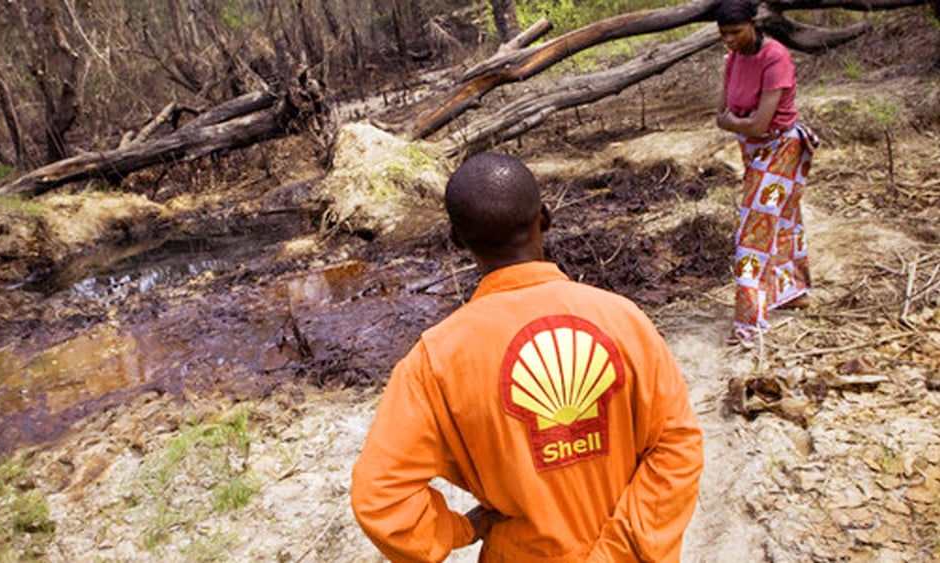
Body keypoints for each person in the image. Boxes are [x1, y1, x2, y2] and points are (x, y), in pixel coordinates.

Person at [350, 152, 704, 562]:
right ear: (546, 217)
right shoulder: (623, 319)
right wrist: (619, 550)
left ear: (456, 240)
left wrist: (461, 529)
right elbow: (677, 445)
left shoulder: (434, 361)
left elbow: (381, 500)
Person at [714, 0, 819, 345]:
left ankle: (749, 319)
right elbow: (722, 113)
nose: (729, 39)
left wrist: (739, 123)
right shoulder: (733, 59)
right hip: (754, 151)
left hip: (782, 147)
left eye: (735, 31)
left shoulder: (775, 57)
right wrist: (743, 124)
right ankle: (793, 292)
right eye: (723, 33)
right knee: (784, 218)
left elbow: (759, 122)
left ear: (753, 23)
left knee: (753, 230)